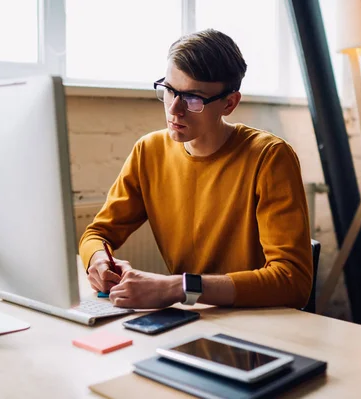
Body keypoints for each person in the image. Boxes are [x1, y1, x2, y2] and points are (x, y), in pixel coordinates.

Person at [79, 29, 312, 309]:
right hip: (191, 319)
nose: (174, 109)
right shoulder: (149, 151)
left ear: (229, 103)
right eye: (169, 90)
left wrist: (179, 286)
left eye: (193, 99)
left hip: (256, 322)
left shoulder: (270, 158)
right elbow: (97, 235)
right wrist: (99, 260)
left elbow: (292, 281)